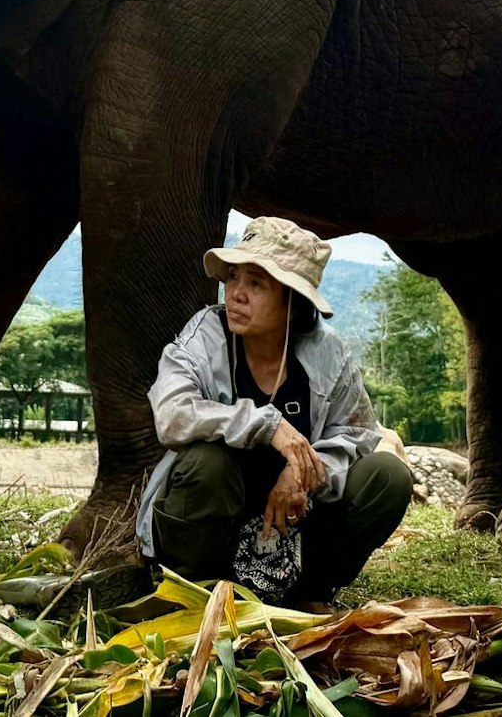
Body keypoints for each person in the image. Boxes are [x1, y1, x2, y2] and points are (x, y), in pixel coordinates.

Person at [136, 216, 413, 605]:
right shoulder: (205, 334)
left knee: (389, 476)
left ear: (292, 302)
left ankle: (311, 590)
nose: (235, 294)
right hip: (213, 524)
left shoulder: (330, 355)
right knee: (205, 463)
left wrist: (304, 474)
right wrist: (267, 425)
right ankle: (196, 593)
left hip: (294, 530)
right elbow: (172, 413)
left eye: (256, 283)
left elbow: (357, 435)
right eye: (232, 278)